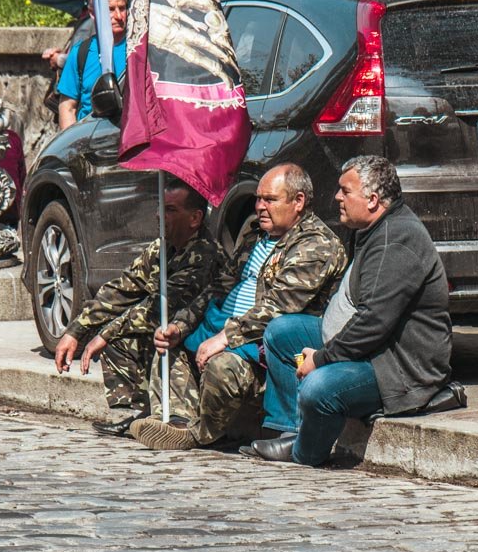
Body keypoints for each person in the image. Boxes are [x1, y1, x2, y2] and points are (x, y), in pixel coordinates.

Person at [245, 156, 463, 466]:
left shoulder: (395, 240)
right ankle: (290, 431)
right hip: (363, 350)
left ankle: (305, 452)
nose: (337, 197)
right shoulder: (369, 228)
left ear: (372, 200)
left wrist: (322, 359)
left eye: (345, 191)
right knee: (281, 332)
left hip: (396, 367)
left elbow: (374, 322)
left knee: (318, 388)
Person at [129, 164, 347, 451]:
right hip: (224, 325)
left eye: (270, 199)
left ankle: (199, 434)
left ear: (298, 201)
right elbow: (217, 288)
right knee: (169, 345)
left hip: (260, 344)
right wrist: (180, 325)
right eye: (258, 199)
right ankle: (175, 420)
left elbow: (278, 307)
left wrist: (224, 338)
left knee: (223, 366)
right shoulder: (255, 237)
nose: (260, 207)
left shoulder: (316, 245)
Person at [54, 179, 224, 436]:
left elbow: (158, 309)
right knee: (119, 338)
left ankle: (177, 417)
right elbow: (121, 289)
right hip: (167, 331)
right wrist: (76, 330)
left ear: (195, 218)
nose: (159, 215)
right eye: (160, 208)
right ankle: (141, 412)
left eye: (170, 210)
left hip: (195, 339)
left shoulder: (203, 254)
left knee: (134, 334)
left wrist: (103, 335)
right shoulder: (161, 248)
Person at [55, 0, 129, 129]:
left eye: (122, 8)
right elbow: (67, 107)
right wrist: (75, 142)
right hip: (90, 137)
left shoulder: (138, 49)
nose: (119, 16)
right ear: (93, 13)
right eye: (110, 9)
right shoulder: (81, 52)